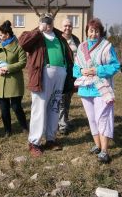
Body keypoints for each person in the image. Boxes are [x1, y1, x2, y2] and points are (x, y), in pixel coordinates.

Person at [18, 13, 74, 157]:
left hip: (60, 74)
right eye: (45, 21)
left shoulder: (59, 37)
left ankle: (51, 138)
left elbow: (68, 56)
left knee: (54, 107)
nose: (47, 24)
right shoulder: (36, 35)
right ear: (40, 22)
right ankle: (34, 142)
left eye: (49, 21)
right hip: (43, 75)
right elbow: (23, 42)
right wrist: (39, 29)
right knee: (39, 108)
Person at [73, 18, 120, 163]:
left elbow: (115, 66)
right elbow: (75, 68)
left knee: (103, 119)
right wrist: (82, 70)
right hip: (86, 89)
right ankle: (97, 145)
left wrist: (97, 70)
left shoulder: (107, 46)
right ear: (87, 31)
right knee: (92, 119)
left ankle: (105, 151)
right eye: (91, 31)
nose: (93, 34)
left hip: (101, 89)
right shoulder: (81, 47)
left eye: (96, 31)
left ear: (100, 32)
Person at [0, 20, 28, 137]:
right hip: (0, 82)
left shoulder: (18, 47)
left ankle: (24, 126)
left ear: (7, 35)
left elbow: (23, 62)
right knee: (4, 108)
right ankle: (7, 130)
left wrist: (8, 68)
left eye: (1, 35)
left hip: (14, 82)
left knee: (16, 106)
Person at [58, 19, 80, 135]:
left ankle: (64, 120)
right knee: (61, 99)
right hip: (61, 72)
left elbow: (79, 55)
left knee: (68, 98)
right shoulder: (58, 39)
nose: (67, 28)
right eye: (65, 26)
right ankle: (61, 124)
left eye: (70, 26)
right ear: (62, 27)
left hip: (73, 74)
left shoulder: (76, 40)